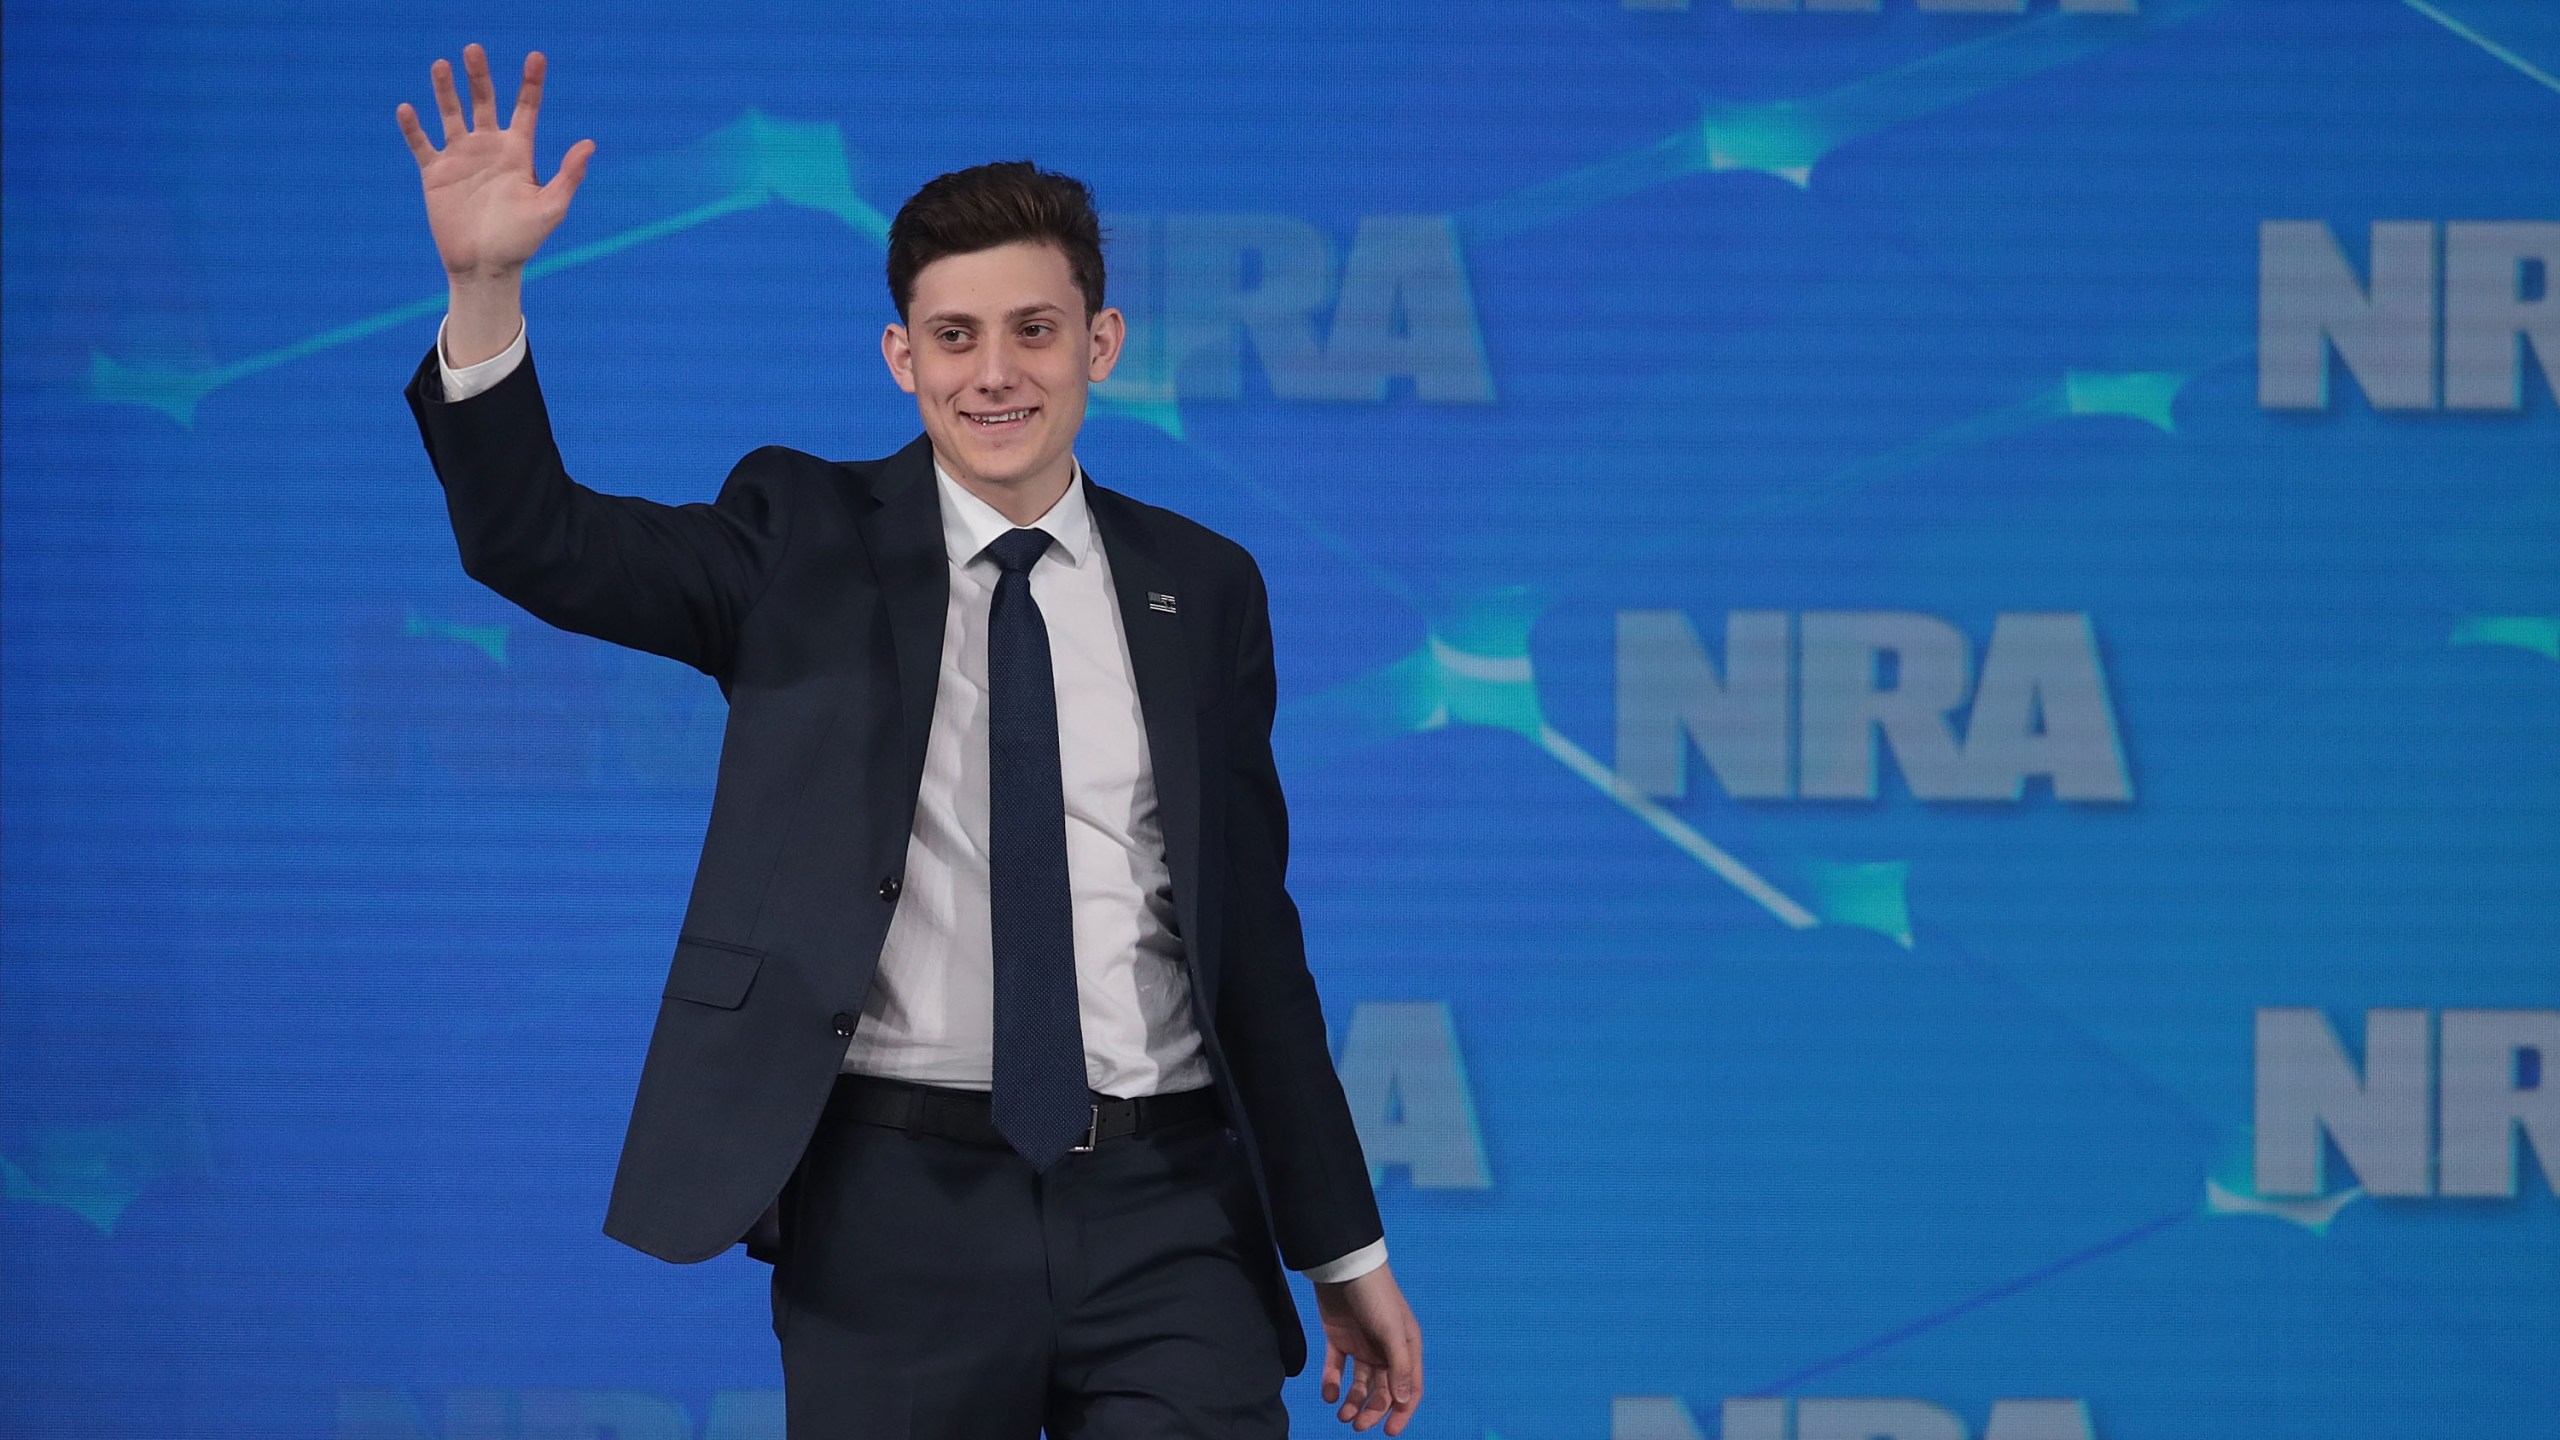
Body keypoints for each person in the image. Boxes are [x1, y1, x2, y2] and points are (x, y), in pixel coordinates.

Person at [394, 44, 1423, 1440]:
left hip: (1170, 1211)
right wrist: (484, 289)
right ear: (901, 358)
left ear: (1101, 344)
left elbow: (1254, 951)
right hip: (892, 1219)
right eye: (954, 337)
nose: (994, 374)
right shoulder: (795, 537)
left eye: (1035, 330)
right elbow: (540, 545)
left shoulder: (1206, 585)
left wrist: (1342, 1250)